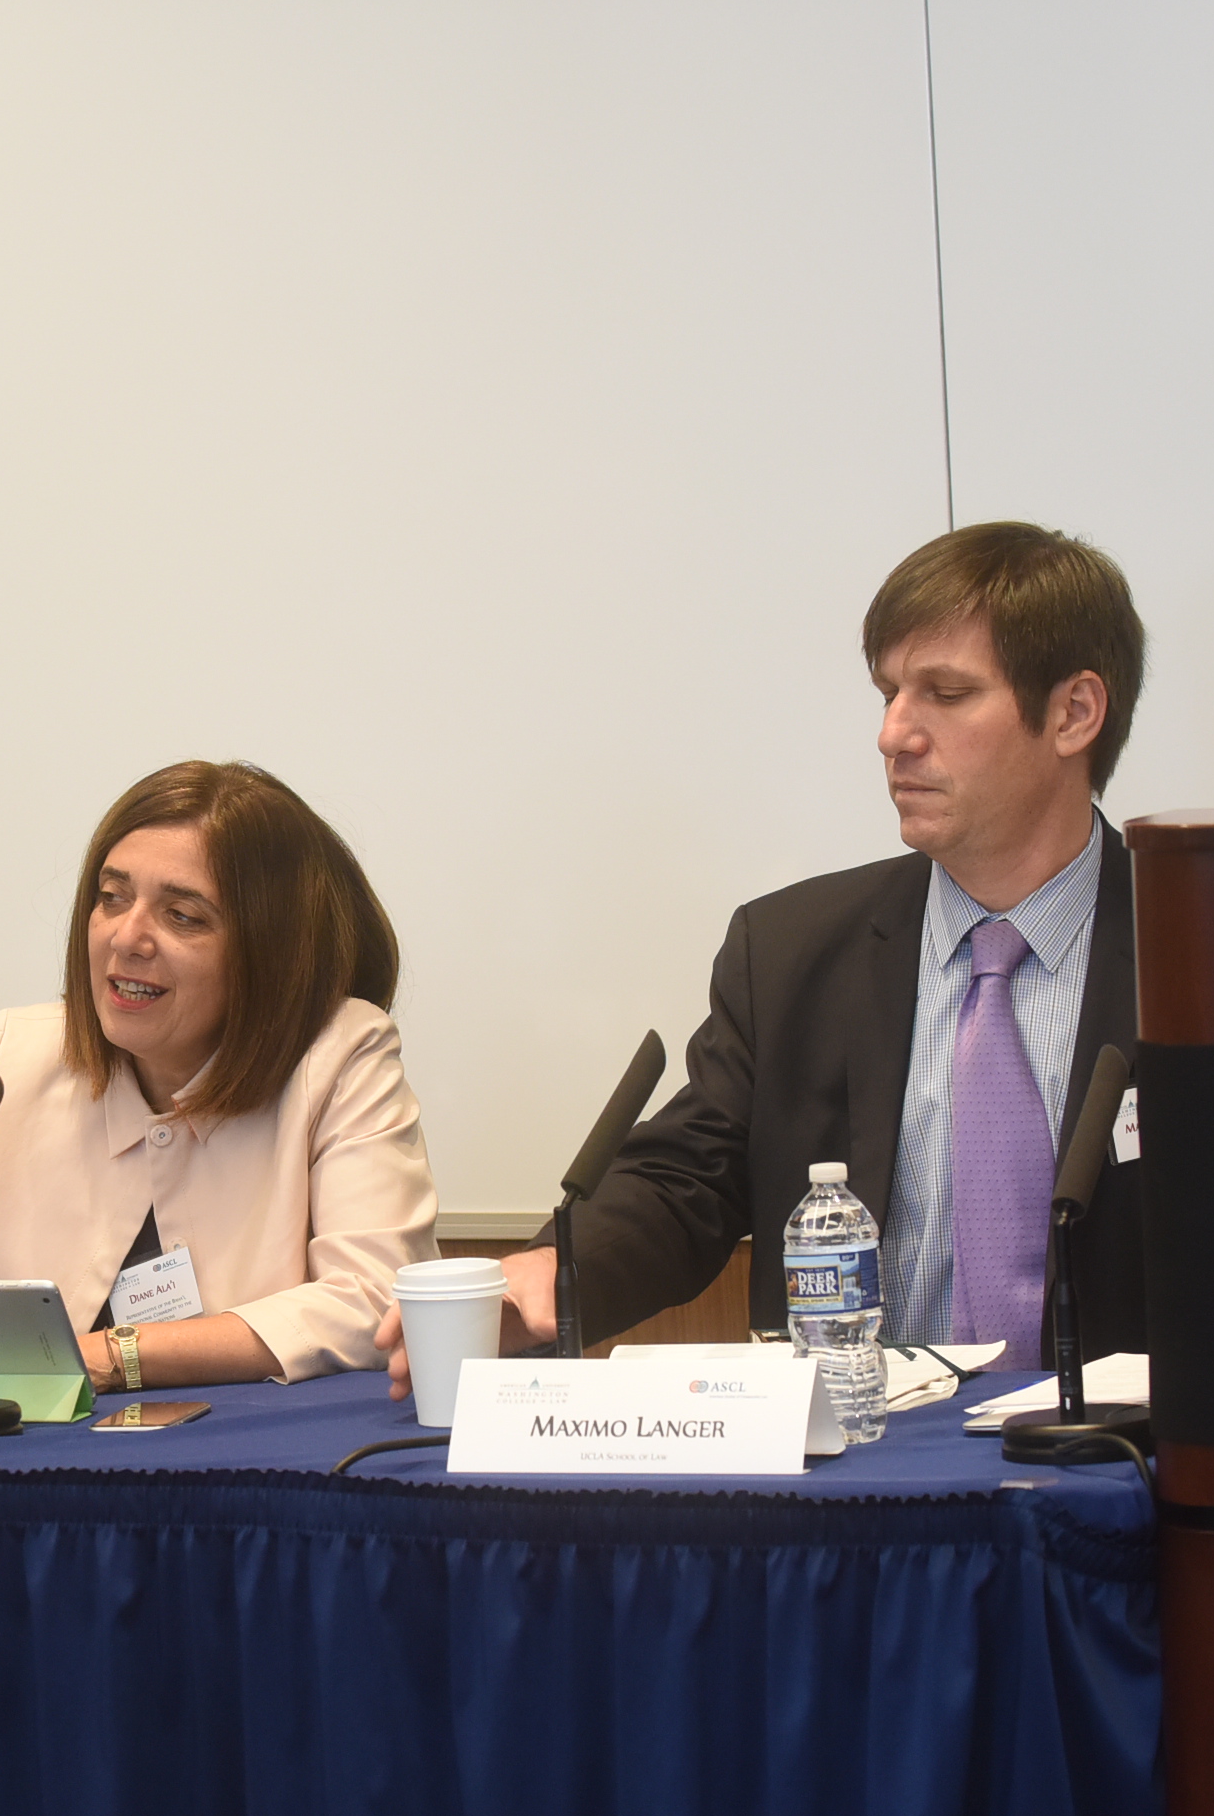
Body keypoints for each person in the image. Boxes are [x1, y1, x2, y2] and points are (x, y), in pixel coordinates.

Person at [388, 521, 1147, 1389]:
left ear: (1073, 713)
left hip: (1128, 1471)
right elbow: (686, 1180)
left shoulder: (1209, 956)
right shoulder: (792, 952)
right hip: (860, 1470)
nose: (894, 734)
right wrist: (557, 1274)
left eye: (944, 692)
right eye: (889, 693)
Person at [0, 759, 436, 1391]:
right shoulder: (22, 1056)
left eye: (183, 915)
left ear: (270, 955)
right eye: (112, 898)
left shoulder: (338, 1055)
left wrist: (106, 1358)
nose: (126, 936)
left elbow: (375, 1299)